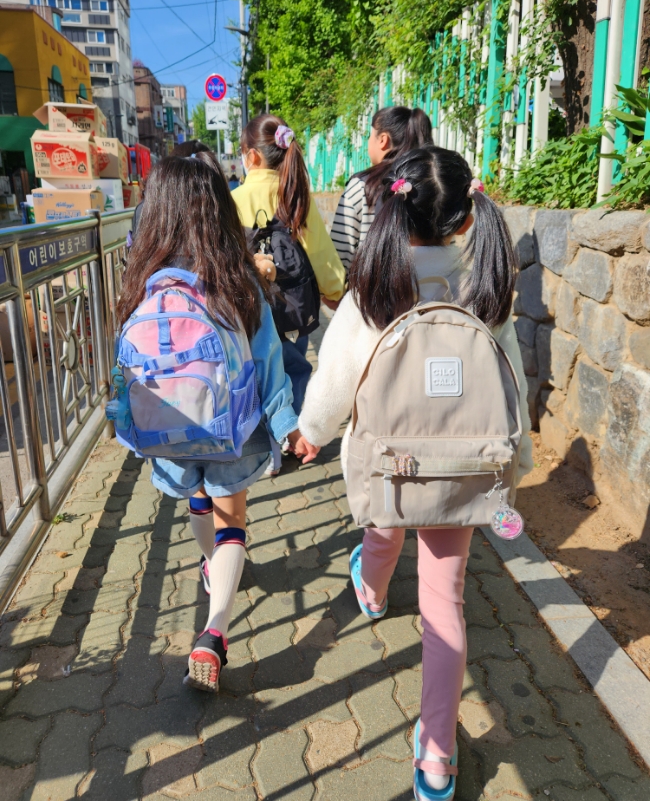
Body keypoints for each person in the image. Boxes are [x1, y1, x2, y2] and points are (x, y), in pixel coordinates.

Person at [297, 146, 533, 799]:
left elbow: (337, 372)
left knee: (382, 530)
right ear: (469, 216)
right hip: (464, 470)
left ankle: (371, 592)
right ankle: (436, 756)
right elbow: (510, 379)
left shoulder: (377, 283)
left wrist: (312, 430)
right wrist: (519, 461)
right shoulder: (486, 282)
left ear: (394, 209)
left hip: (388, 463)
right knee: (444, 603)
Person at [116, 153, 319, 692]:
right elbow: (270, 364)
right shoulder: (236, 280)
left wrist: (125, 424)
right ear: (218, 213)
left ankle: (211, 567)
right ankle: (214, 632)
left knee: (199, 501)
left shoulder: (141, 281)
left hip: (168, 426)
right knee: (234, 524)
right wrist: (288, 427)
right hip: (234, 428)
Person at [232, 113, 346, 417]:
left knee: (254, 370)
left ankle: (265, 433)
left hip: (249, 309)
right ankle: (292, 429)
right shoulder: (296, 196)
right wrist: (334, 290)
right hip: (294, 307)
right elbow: (319, 251)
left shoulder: (233, 200)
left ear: (252, 156)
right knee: (294, 368)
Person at [330, 106, 432, 272]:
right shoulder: (434, 182)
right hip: (433, 284)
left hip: (370, 286)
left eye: (370, 135)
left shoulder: (362, 186)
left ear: (383, 140)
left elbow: (338, 258)